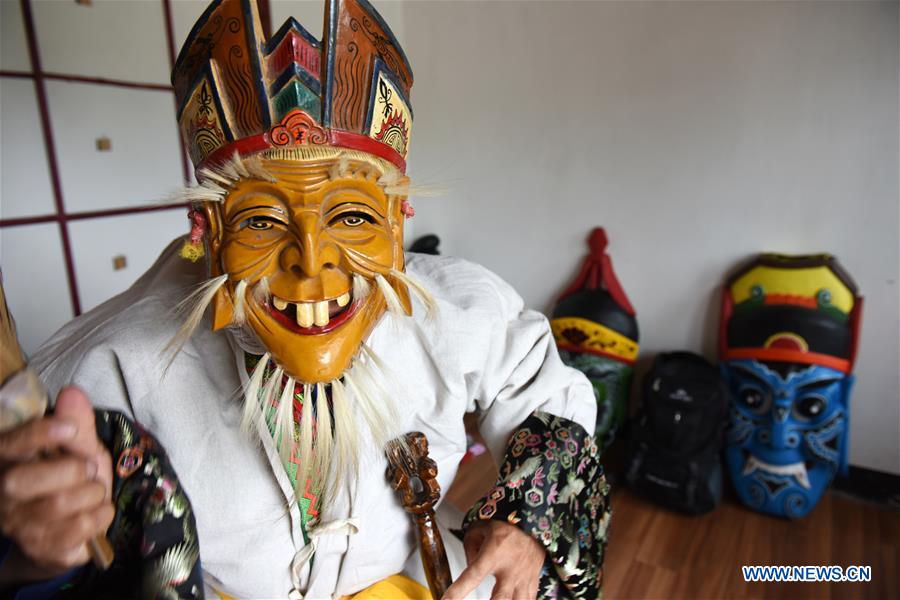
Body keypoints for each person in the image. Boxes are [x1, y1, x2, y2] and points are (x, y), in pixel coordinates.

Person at [0, 0, 610, 597]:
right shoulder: (107, 369)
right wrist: (35, 562)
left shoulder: (457, 312)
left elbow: (547, 394)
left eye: (350, 215)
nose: (312, 258)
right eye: (261, 221)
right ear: (207, 233)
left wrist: (529, 522)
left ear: (398, 226)